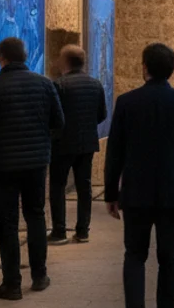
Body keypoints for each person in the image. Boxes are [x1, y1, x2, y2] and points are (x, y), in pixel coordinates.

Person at [105, 43, 174, 308]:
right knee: (170, 257)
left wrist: (111, 194)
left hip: (136, 192)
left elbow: (114, 152)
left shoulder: (127, 102)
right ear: (173, 70)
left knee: (135, 255)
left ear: (145, 67)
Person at [0, 37, 65, 300]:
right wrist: (41, 141)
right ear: (24, 57)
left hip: (3, 164)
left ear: (2, 58)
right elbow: (59, 121)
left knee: (8, 223)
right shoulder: (45, 84)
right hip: (36, 162)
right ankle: (39, 275)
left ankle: (11, 283)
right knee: (36, 215)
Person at [48, 44, 108, 245]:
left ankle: (59, 230)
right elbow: (102, 115)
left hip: (62, 144)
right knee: (84, 186)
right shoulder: (95, 84)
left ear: (65, 62)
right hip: (87, 144)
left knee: (58, 186)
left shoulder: (59, 85)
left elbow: (53, 116)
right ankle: (83, 230)